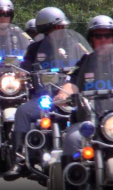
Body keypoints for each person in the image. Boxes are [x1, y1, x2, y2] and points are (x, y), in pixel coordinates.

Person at [3, 7, 90, 181]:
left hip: (73, 96)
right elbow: (25, 66)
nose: (59, 31)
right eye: (54, 28)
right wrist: (21, 74)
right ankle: (19, 160)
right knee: (23, 111)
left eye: (61, 27)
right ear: (44, 31)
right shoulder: (35, 48)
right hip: (46, 96)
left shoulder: (76, 45)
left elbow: (91, 58)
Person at [53, 15, 113, 168]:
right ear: (91, 39)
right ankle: (73, 179)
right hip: (91, 120)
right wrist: (63, 94)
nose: (104, 39)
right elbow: (71, 83)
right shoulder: (85, 61)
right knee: (73, 138)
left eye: (108, 35)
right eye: (98, 36)